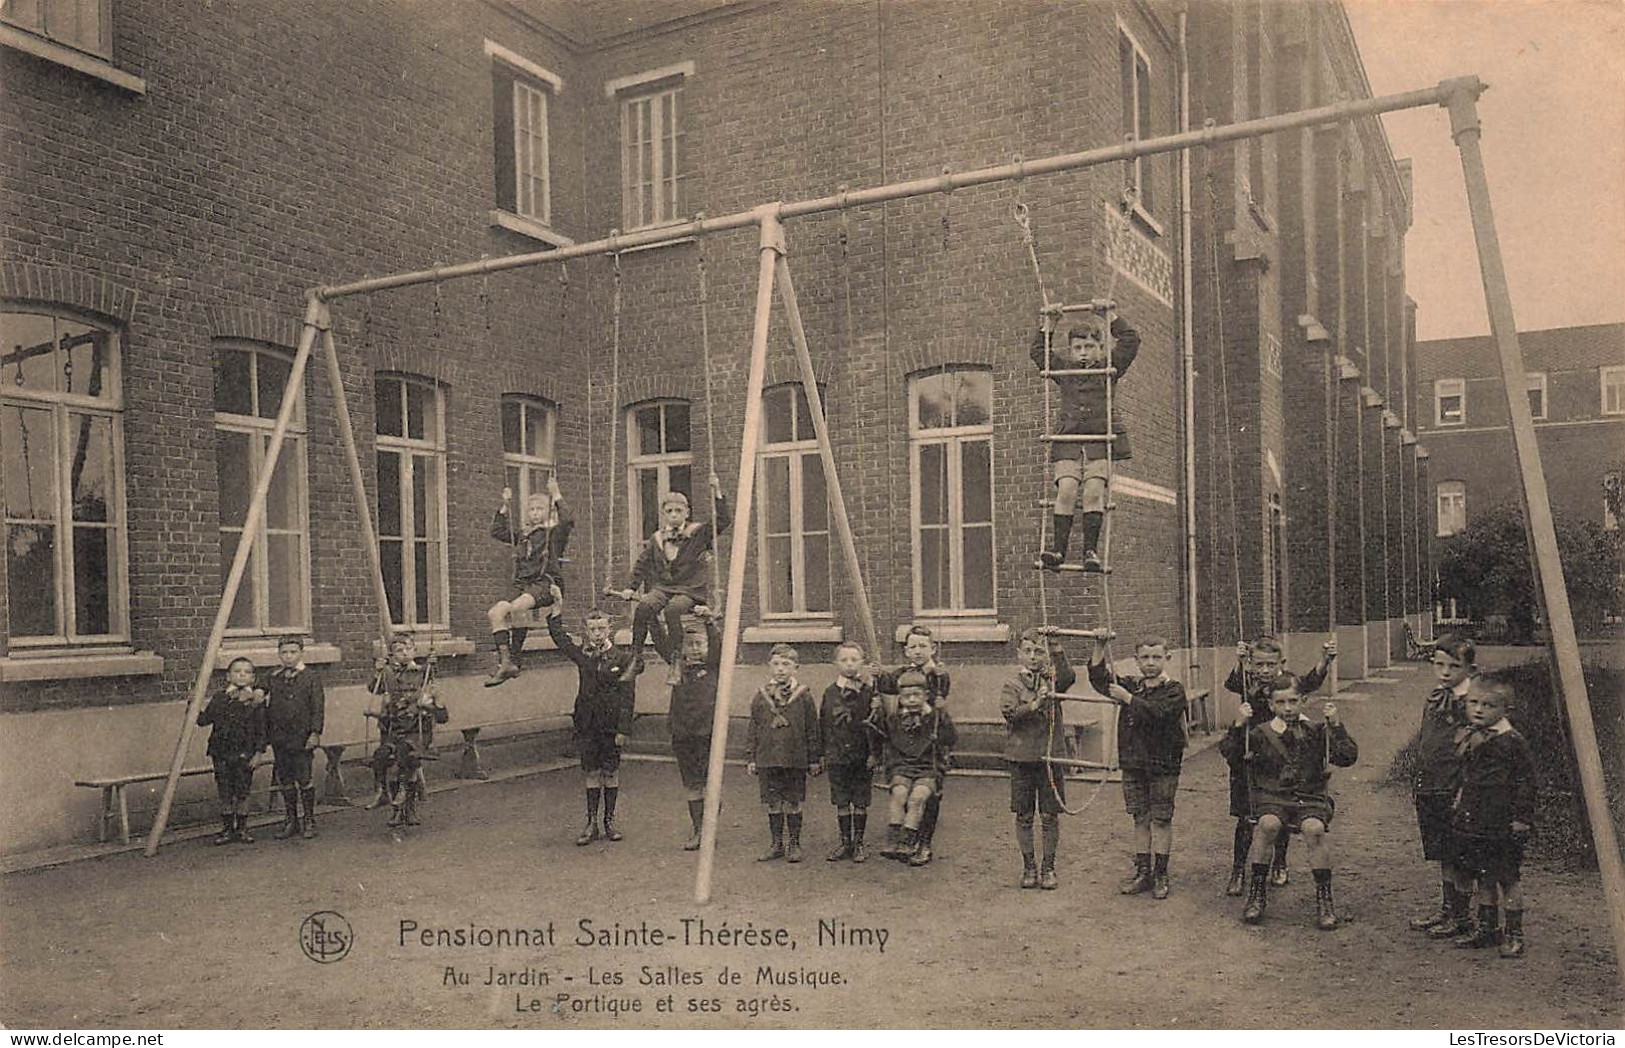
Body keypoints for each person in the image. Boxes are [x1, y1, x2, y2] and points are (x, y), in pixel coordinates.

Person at [1220, 683, 1357, 929]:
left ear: (1302, 701)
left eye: (1293, 701)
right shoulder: (1261, 733)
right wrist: (1239, 724)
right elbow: (1231, 753)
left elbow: (1348, 756)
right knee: (1268, 824)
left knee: (1314, 829)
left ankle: (1325, 899)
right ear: (1271, 705)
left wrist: (1336, 725)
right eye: (1281, 703)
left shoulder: (1316, 731)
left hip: (1309, 797)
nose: (1288, 708)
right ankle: (1257, 894)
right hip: (1272, 797)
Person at [1221, 636, 1337, 894]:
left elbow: (1308, 682)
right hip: (1249, 752)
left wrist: (1324, 661)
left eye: (1270, 665)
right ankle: (1238, 870)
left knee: (1280, 810)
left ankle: (1279, 863)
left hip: (1278, 758)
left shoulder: (1284, 686)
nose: (1264, 671)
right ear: (1252, 664)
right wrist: (1240, 661)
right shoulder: (1247, 681)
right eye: (1259, 665)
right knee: (1245, 814)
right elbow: (1231, 682)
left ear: (1281, 664)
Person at [1032, 309, 1141, 573]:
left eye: (1089, 347)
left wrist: (1109, 316)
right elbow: (1038, 353)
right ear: (1070, 350)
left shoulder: (1109, 368)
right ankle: (1059, 550)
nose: (1083, 352)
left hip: (1097, 443)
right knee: (1066, 490)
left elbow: (1131, 340)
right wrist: (1051, 323)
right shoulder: (1064, 370)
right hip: (1068, 441)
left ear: (1100, 348)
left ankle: (1089, 551)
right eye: (1078, 347)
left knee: (1093, 493)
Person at [1088, 635, 1189, 899]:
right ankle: (1144, 872)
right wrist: (1100, 646)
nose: (1151, 663)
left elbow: (1159, 714)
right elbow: (1100, 680)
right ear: (1136, 661)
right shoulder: (1131, 685)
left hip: (1163, 765)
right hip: (1134, 765)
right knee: (1140, 818)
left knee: (1162, 819)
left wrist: (1128, 699)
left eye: (1157, 657)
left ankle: (1161, 873)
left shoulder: (1174, 690)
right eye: (1145, 657)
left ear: (1167, 658)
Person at [1447, 677, 1535, 959]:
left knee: (1506, 877)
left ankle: (1514, 933)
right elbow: (1467, 775)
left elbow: (1526, 781)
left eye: (1489, 705)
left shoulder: (1511, 741)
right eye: (1474, 702)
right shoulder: (1472, 735)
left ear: (1505, 709)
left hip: (1501, 820)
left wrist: (1521, 817)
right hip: (1475, 818)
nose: (1479, 709)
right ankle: (1487, 928)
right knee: (1482, 873)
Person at [613, 476, 728, 686]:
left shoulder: (697, 533)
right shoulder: (657, 538)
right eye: (669, 511)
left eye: (678, 511)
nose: (674, 515)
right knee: (645, 607)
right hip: (665, 587)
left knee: (673, 610)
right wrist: (631, 587)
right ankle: (636, 657)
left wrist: (717, 491)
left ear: (687, 513)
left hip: (690, 590)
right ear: (663, 514)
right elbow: (642, 564)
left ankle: (676, 659)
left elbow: (723, 521)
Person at [546, 593, 637, 846]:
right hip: (587, 726)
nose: (597, 633)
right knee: (591, 772)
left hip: (611, 727)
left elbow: (628, 696)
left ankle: (609, 821)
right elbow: (560, 639)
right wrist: (556, 609)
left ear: (610, 629)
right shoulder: (583, 656)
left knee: (610, 772)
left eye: (601, 628)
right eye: (592, 629)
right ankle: (591, 823)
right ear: (586, 631)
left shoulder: (622, 659)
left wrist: (624, 729)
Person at [999, 627, 1080, 890]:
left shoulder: (1053, 679)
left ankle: (1049, 867)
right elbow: (1009, 712)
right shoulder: (1012, 684)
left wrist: (1056, 645)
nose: (1033, 657)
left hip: (1049, 757)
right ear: (1019, 655)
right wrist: (1035, 704)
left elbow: (1068, 676)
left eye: (1039, 652)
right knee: (1024, 815)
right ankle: (1029, 866)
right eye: (1028, 651)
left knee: (1049, 815)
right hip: (1022, 758)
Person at [1411, 636, 1477, 938]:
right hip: (1430, 784)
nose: (1446, 672)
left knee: (1459, 852)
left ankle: (1462, 915)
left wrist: (1466, 785)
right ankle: (1448, 910)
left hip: (1455, 787)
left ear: (1469, 668)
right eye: (1440, 665)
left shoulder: (1472, 703)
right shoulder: (1435, 697)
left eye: (1454, 666)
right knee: (1441, 851)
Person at [871, 625, 951, 864]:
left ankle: (924, 843)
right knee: (906, 792)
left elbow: (936, 696)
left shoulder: (938, 674)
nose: (917, 651)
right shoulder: (903, 672)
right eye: (913, 646)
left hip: (931, 739)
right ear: (906, 650)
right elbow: (888, 684)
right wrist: (879, 674)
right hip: (908, 739)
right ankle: (906, 839)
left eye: (923, 646)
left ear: (933, 649)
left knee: (930, 795)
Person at [485, 475, 573, 687]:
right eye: (531, 510)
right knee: (496, 613)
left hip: (546, 584)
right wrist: (505, 505)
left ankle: (514, 658)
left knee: (516, 608)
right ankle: (507, 662)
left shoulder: (553, 534)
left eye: (539, 509)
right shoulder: (524, 535)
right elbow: (496, 531)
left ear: (548, 511)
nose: (534, 514)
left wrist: (556, 493)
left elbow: (568, 520)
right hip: (524, 587)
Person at [745, 644, 821, 863]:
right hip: (768, 757)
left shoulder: (803, 696)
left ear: (796, 668)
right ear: (769, 666)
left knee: (794, 801)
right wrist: (751, 757)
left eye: (786, 664)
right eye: (776, 664)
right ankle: (776, 843)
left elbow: (812, 728)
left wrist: (814, 758)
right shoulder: (761, 696)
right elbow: (754, 726)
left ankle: (794, 843)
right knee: (773, 801)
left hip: (795, 757)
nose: (780, 669)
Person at [364, 635, 446, 829]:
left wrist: (433, 665)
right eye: (399, 650)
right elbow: (374, 689)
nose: (404, 653)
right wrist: (377, 672)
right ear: (392, 654)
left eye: (408, 648)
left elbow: (435, 697)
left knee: (405, 758)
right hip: (395, 727)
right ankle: (386, 795)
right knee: (382, 757)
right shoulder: (388, 673)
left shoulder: (423, 671)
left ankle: (407, 809)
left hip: (416, 729)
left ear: (415, 650)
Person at [667, 606, 723, 851]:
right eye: (690, 644)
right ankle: (699, 828)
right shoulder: (678, 668)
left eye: (699, 643)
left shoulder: (711, 667)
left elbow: (718, 646)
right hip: (682, 734)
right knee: (691, 784)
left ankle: (708, 828)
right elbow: (667, 633)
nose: (695, 648)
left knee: (709, 783)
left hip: (707, 734)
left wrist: (708, 621)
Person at [198, 656, 267, 845]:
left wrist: (259, 753)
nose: (242, 675)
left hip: (245, 753)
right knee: (225, 790)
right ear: (228, 676)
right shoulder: (220, 698)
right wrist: (194, 708)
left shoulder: (255, 701)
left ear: (253, 678)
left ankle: (242, 828)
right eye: (237, 671)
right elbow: (205, 720)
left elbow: (262, 730)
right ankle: (227, 829)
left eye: (247, 672)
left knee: (242, 791)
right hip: (221, 752)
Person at [821, 642, 879, 863]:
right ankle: (845, 842)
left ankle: (859, 843)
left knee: (861, 800)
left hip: (861, 755)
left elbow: (874, 726)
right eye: (844, 660)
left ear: (862, 662)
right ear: (836, 663)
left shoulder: (868, 691)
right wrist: (824, 753)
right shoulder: (830, 692)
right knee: (842, 800)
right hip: (837, 755)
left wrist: (874, 754)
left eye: (854, 660)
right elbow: (824, 723)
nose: (849, 664)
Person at [263, 636, 326, 840]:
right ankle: (291, 819)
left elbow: (318, 707)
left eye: (292, 652)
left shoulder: (311, 677)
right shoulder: (274, 676)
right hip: (280, 737)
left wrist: (315, 733)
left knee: (304, 778)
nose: (288, 657)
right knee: (285, 779)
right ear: (279, 654)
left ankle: (309, 819)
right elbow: (259, 695)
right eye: (284, 652)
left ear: (301, 653)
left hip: (302, 737)